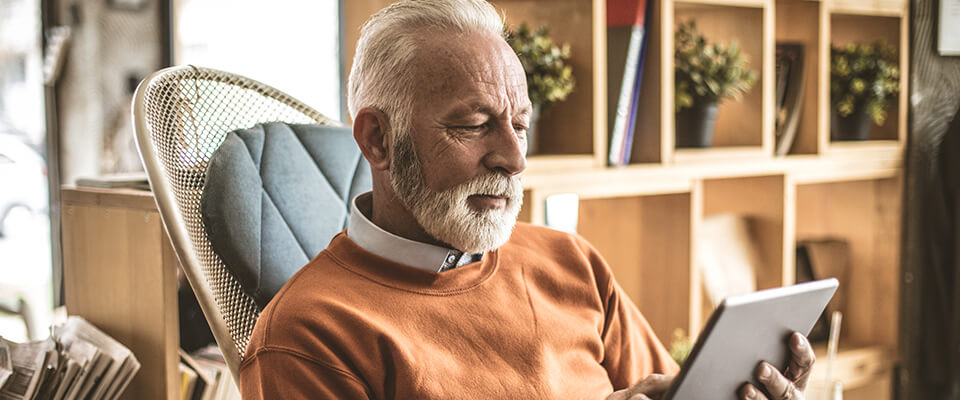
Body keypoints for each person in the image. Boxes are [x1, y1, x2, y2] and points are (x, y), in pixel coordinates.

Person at [239, 1, 815, 398]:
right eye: (473, 125)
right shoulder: (307, 337)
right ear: (378, 139)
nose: (514, 160)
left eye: (520, 125)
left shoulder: (571, 263)